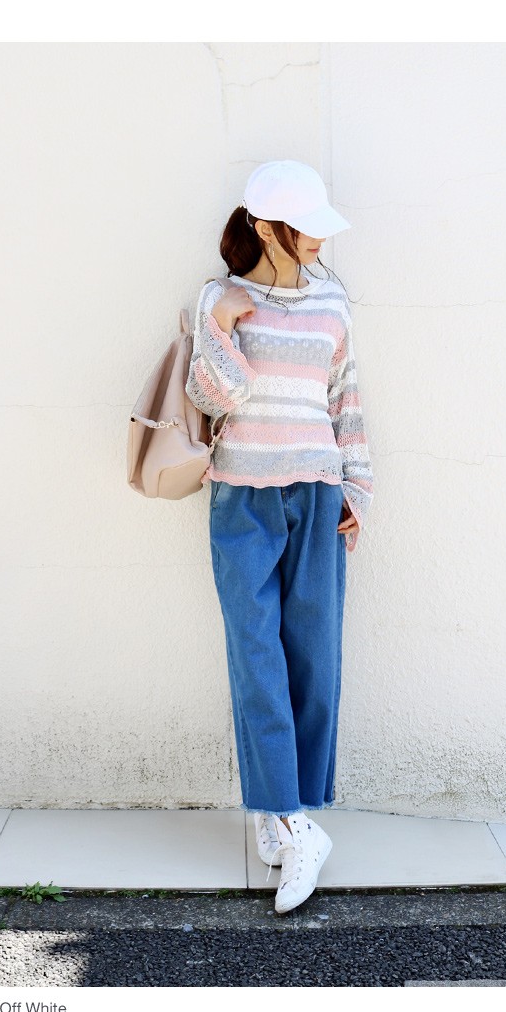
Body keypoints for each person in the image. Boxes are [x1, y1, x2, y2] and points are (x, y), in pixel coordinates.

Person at [185, 160, 374, 915]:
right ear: (267, 229)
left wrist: (358, 489)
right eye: (306, 225)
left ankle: (281, 810)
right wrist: (223, 325)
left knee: (314, 657)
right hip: (242, 499)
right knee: (256, 657)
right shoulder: (219, 298)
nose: (320, 238)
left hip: (320, 494)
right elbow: (212, 397)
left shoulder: (333, 300)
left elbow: (346, 398)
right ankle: (295, 826)